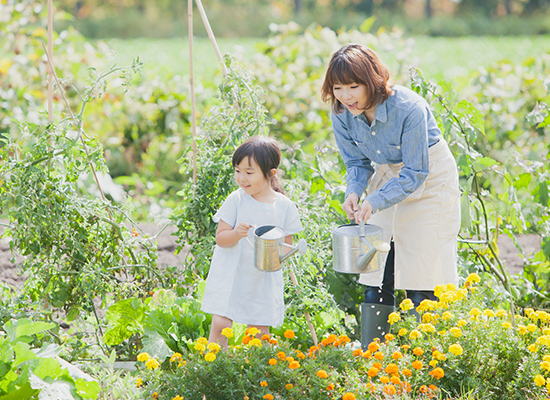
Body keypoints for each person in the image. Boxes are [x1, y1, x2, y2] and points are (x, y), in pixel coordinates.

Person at [321, 44, 461, 344]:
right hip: (388, 175)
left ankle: (428, 357)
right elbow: (357, 162)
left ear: (372, 80)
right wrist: (355, 191)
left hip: (430, 178)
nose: (346, 96)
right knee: (377, 266)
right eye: (338, 88)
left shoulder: (408, 108)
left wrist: (374, 199)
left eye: (353, 86)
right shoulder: (341, 112)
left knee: (423, 271)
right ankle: (376, 359)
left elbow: (415, 173)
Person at [201, 135, 303, 348]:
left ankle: (257, 376)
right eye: (238, 171)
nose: (242, 178)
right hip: (231, 272)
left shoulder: (284, 206)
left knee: (259, 329)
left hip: (262, 277)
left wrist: (282, 254)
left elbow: (286, 246)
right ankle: (213, 370)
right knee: (221, 322)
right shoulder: (236, 200)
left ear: (270, 173)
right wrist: (237, 233)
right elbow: (221, 239)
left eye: (249, 172)